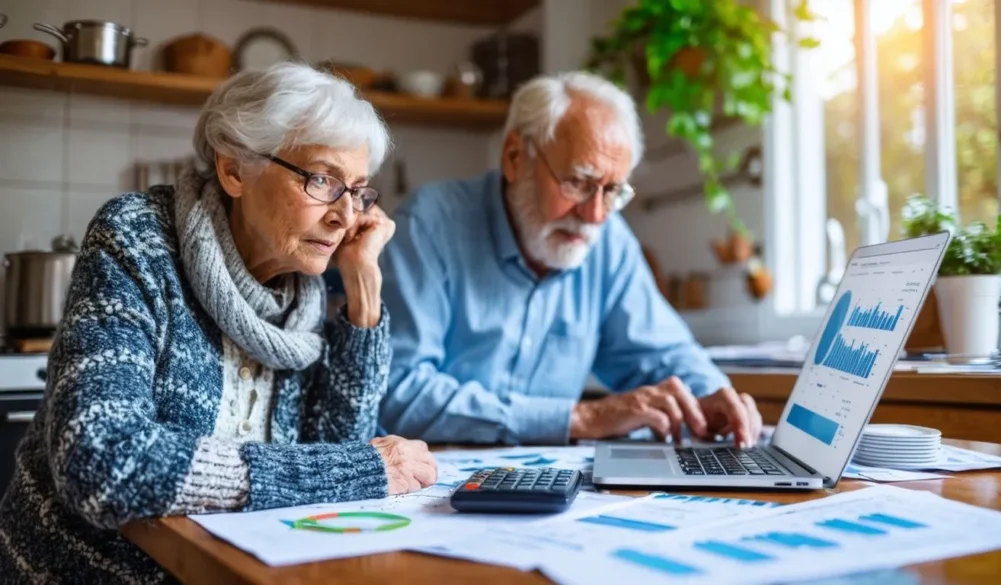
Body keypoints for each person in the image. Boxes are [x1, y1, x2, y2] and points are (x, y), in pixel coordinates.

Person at [0, 63, 436, 584]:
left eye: (358, 190)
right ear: (234, 170)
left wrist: (365, 288)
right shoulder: (139, 239)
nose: (346, 214)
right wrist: (355, 468)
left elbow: (338, 449)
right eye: (322, 180)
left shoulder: (305, 292)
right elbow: (99, 459)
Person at [379, 71, 762, 448]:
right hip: (429, 482)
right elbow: (400, 391)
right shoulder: (429, 224)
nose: (595, 215)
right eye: (578, 182)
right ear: (515, 157)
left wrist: (711, 395)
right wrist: (581, 418)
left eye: (611, 190)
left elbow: (663, 354)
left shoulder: (608, 241)